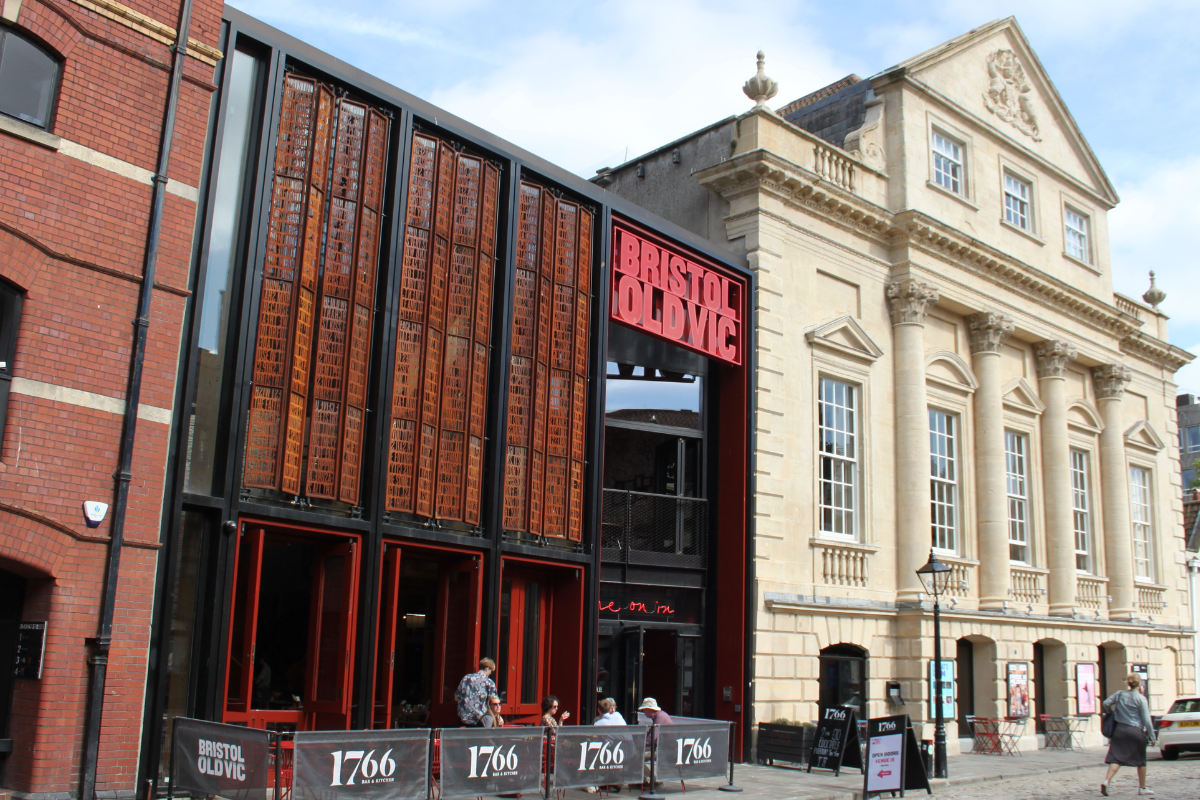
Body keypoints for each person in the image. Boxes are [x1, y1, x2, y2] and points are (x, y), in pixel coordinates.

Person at [1100, 673, 1157, 796]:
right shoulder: (1141, 698)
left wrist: (1111, 712)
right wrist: (1152, 736)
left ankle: (1106, 781)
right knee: (1141, 760)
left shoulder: (1120, 694)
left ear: (1129, 683)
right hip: (1135, 730)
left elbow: (1106, 703)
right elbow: (1147, 720)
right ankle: (1142, 788)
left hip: (1120, 729)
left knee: (1116, 758)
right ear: (1139, 684)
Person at [454, 657, 497, 727]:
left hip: (463, 719)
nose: (490, 673)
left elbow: (456, 697)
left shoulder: (466, 678)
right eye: (491, 671)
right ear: (487, 668)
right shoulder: (489, 682)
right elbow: (494, 701)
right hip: (479, 720)